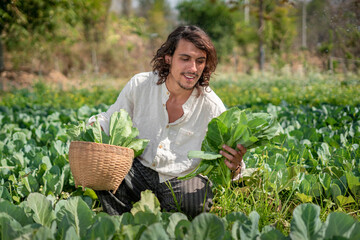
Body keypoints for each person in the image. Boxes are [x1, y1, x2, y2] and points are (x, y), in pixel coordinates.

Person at [88, 25, 246, 218]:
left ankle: (160, 221)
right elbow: (110, 119)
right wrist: (93, 128)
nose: (193, 68)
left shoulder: (212, 106)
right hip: (139, 170)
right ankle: (123, 223)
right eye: (185, 58)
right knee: (105, 172)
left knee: (197, 201)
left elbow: (233, 167)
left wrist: (236, 165)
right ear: (168, 58)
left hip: (183, 178)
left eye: (200, 61)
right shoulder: (140, 85)